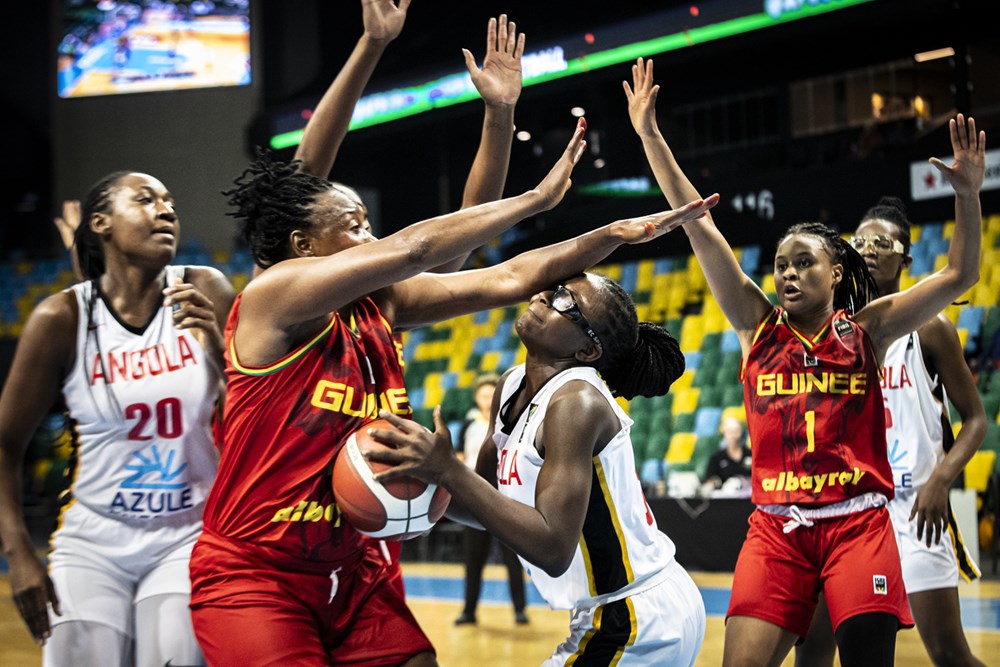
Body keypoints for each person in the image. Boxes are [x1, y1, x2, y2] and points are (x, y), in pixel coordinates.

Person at [186, 2, 719, 657]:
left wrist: (601, 229)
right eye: (354, 226)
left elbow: (504, 269)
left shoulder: (383, 303)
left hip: (357, 567)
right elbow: (401, 236)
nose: (370, 234)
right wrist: (532, 198)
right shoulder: (275, 296)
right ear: (301, 243)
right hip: (258, 568)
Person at [623, 56, 984, 665]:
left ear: (837, 272)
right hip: (775, 528)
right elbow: (699, 226)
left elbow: (961, 272)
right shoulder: (755, 325)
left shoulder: (870, 328)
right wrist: (651, 137)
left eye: (804, 262)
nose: (788, 272)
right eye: (781, 264)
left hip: (858, 524)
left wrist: (967, 196)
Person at [368, 272, 707, 666]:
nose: (546, 296)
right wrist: (412, 490)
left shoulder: (577, 401)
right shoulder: (511, 384)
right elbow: (484, 502)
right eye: (554, 289)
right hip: (615, 611)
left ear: (586, 351)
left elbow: (552, 548)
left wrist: (447, 470)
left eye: (567, 302)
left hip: (634, 616)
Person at [0, 170, 235, 667]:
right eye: (146, 199)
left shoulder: (204, 287)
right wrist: (19, 554)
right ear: (101, 223)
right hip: (93, 538)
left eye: (171, 202)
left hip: (188, 534)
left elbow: (255, 414)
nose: (167, 210)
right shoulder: (60, 319)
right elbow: (5, 444)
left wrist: (217, 347)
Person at [796, 197, 987, 666]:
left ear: (905, 258)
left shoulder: (929, 328)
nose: (869, 247)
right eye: (860, 240)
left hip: (915, 510)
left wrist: (942, 479)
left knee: (948, 652)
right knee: (816, 646)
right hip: (847, 512)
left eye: (883, 241)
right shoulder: (831, 332)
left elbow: (976, 419)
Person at [453, 373, 528, 626]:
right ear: (477, 398)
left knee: (512, 559)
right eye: (483, 395)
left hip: (507, 499)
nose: (487, 400)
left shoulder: (513, 424)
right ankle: (469, 611)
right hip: (475, 499)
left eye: (491, 395)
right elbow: (461, 459)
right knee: (473, 560)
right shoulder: (468, 427)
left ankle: (520, 610)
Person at [701, 416, 752, 494]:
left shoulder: (751, 454)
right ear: (724, 433)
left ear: (741, 432)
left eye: (736, 431)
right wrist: (715, 483)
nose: (733, 435)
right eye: (730, 431)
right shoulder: (717, 457)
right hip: (724, 500)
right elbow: (708, 479)